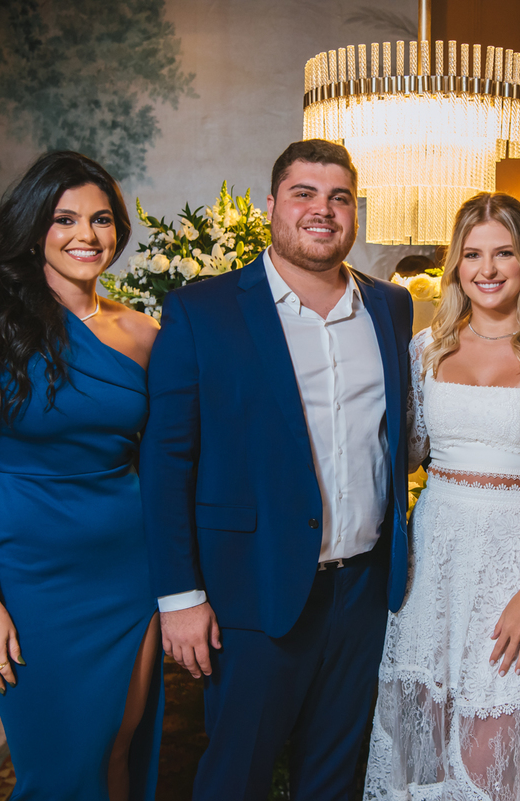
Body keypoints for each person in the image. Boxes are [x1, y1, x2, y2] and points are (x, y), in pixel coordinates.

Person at [139, 139, 413, 801]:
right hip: (252, 590)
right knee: (235, 778)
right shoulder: (202, 311)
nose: (323, 209)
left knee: (334, 779)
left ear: (355, 213)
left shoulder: (389, 307)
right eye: (304, 194)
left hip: (363, 591)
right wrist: (179, 596)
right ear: (271, 206)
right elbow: (167, 461)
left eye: (340, 197)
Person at [0, 151, 163, 800]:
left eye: (101, 219)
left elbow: (169, 463)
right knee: (56, 771)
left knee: (116, 747)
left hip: (131, 573)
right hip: (31, 580)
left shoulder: (144, 334)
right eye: (65, 219)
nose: (86, 235)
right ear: (35, 228)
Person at [363, 192, 520, 801]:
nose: (487, 269)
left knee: (491, 758)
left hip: (514, 572)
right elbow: (405, 452)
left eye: (504, 253)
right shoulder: (426, 349)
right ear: (455, 264)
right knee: (419, 754)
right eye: (472, 254)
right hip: (431, 567)